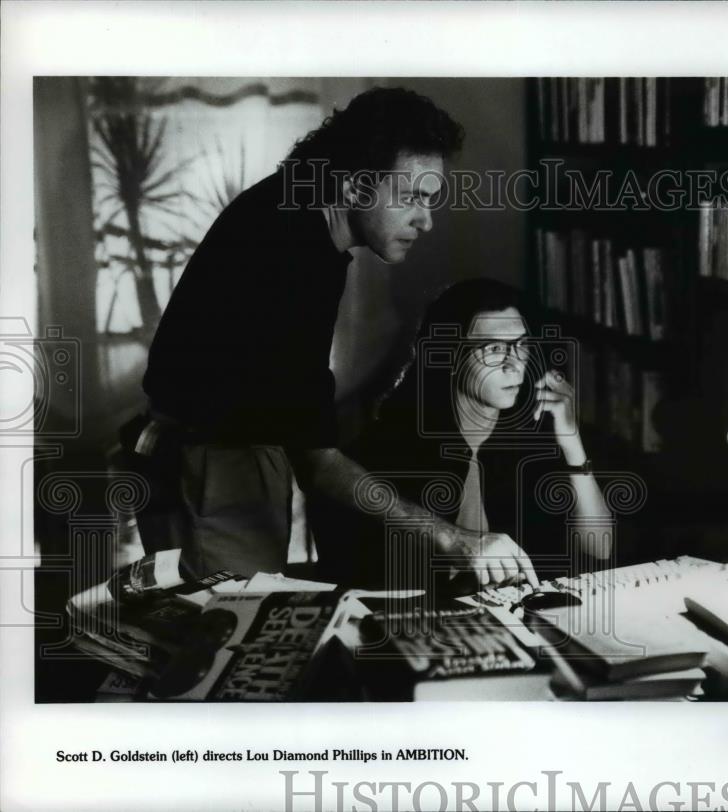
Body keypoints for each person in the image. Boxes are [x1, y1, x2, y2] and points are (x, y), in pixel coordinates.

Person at [135, 87, 539, 589]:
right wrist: (457, 540)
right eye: (411, 197)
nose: (425, 220)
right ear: (352, 187)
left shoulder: (297, 223)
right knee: (230, 637)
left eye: (430, 201)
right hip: (213, 466)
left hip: (223, 458)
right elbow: (318, 461)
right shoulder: (289, 253)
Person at [317, 278, 611, 592]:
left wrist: (570, 438)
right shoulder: (393, 445)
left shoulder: (531, 431)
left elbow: (600, 548)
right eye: (495, 349)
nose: (515, 365)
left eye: (521, 345)